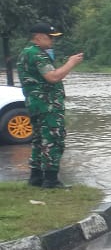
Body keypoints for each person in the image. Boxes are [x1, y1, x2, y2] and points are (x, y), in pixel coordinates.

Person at [16, 22, 84, 189]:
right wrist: (71, 63)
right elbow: (52, 77)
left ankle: (36, 177)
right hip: (48, 105)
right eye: (50, 37)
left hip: (35, 104)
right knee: (54, 139)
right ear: (39, 37)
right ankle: (51, 180)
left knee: (39, 140)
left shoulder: (25, 53)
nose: (53, 41)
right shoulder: (38, 54)